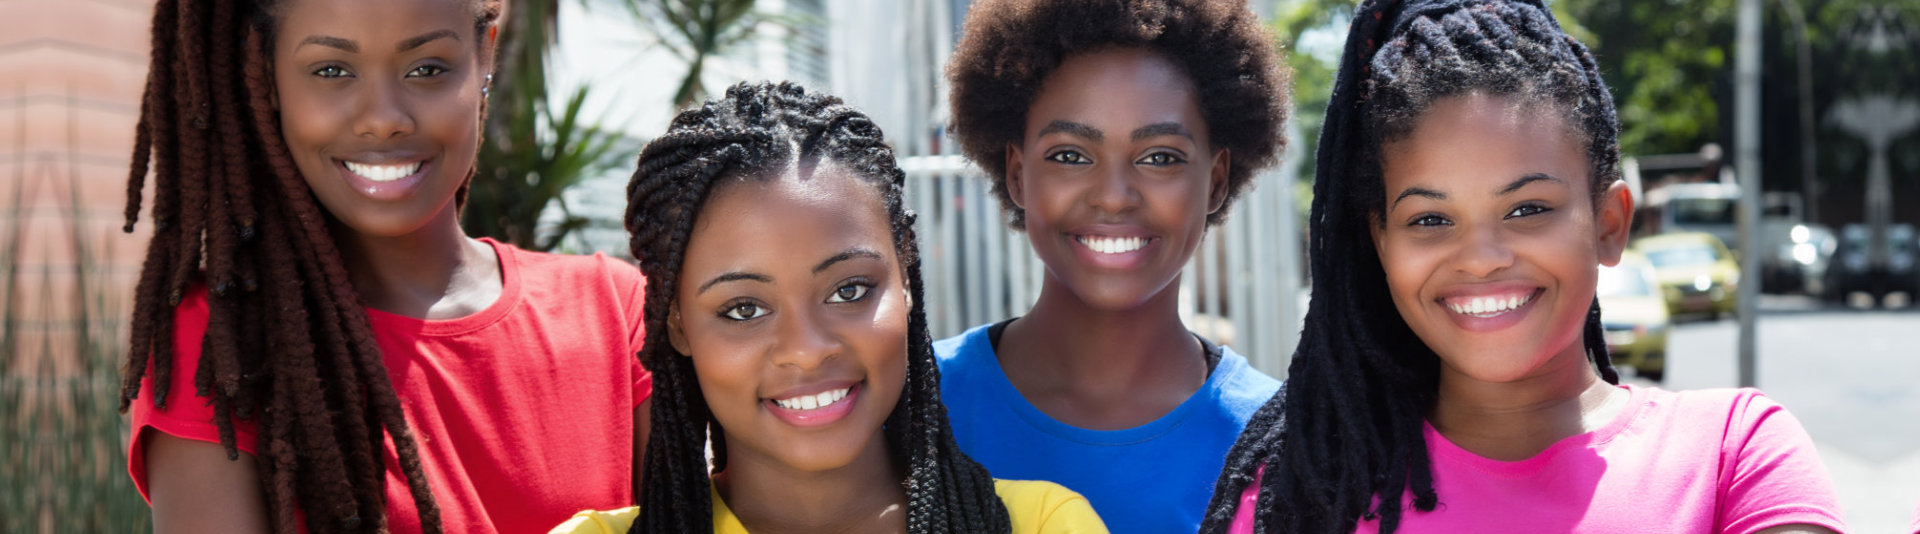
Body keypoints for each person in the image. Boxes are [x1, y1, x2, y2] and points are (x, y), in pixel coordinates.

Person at [1201, 1, 1846, 533]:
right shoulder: (1310, 492)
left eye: (1527, 208)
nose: (1481, 258)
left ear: (1610, 224)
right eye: (1430, 220)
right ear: (1381, 245)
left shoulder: (1736, 455)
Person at [119, 0, 651, 531]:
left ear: (484, 59)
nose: (383, 119)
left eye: (426, 69)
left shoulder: (612, 308)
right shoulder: (222, 346)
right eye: (331, 70)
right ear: (267, 77)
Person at [551, 81, 1106, 534]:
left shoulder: (1042, 524)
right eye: (743, 309)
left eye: (849, 291)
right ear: (677, 324)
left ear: (906, 279)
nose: (807, 349)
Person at [936, 1, 1291, 531]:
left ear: (1215, 180)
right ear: (1017, 173)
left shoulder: (1279, 442)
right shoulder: (917, 403)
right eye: (1070, 155)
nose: (1114, 197)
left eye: (1160, 157)